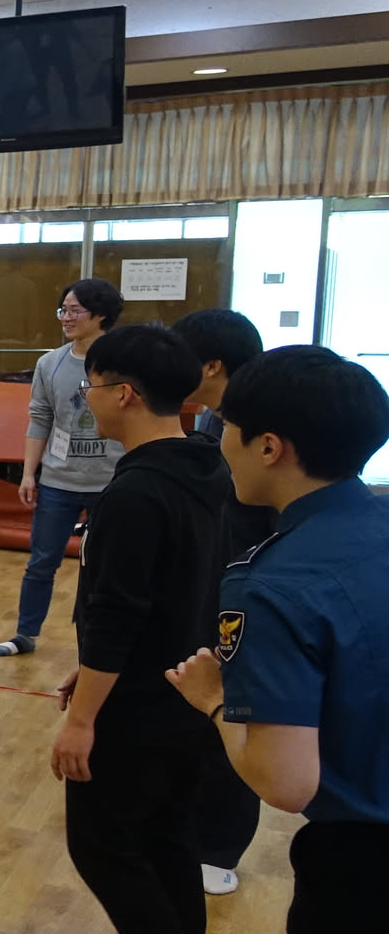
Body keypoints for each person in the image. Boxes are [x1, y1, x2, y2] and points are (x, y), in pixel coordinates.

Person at [163, 346, 389, 934]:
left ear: (270, 447)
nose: (215, 441)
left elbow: (285, 779)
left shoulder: (273, 581)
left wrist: (215, 702)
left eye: (225, 427)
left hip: (365, 876)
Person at [46, 324, 232, 934]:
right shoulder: (208, 467)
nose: (86, 399)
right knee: (166, 836)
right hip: (188, 689)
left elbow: (119, 613)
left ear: (124, 394)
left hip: (140, 707)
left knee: (101, 844)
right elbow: (164, 597)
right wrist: (90, 668)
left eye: (92, 386)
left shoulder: (136, 492)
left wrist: (82, 717)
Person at [172, 308, 276, 896]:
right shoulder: (212, 420)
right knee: (199, 702)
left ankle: (220, 846)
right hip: (212, 584)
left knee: (236, 710)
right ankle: (195, 829)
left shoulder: (258, 422)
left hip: (253, 587)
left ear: (211, 365)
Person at [0, 278, 124, 657]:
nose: (66, 317)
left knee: (107, 566)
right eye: (63, 309)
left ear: (100, 316)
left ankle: (100, 642)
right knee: (41, 561)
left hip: (112, 482)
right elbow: (40, 419)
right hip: (58, 481)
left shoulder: (124, 362)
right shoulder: (50, 363)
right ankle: (25, 634)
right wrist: (29, 473)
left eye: (75, 310)